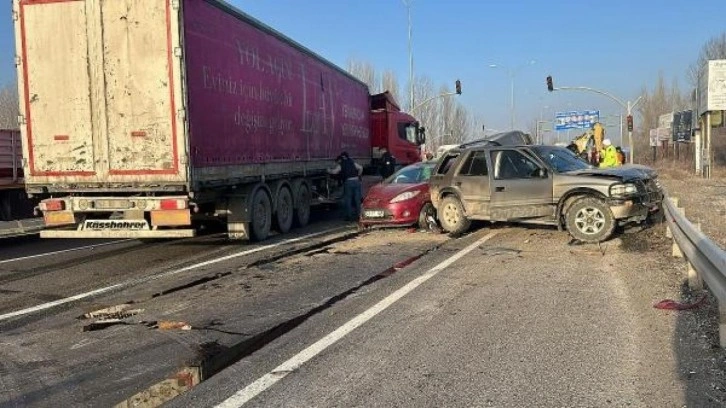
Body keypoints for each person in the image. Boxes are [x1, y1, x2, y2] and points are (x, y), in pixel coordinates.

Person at [328, 152, 363, 222]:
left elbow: (335, 172)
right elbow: (360, 167)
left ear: (343, 157)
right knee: (357, 199)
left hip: (348, 182)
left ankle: (349, 216)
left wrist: (329, 170)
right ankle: (359, 216)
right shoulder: (352, 162)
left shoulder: (342, 164)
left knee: (348, 199)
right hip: (356, 181)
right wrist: (359, 175)